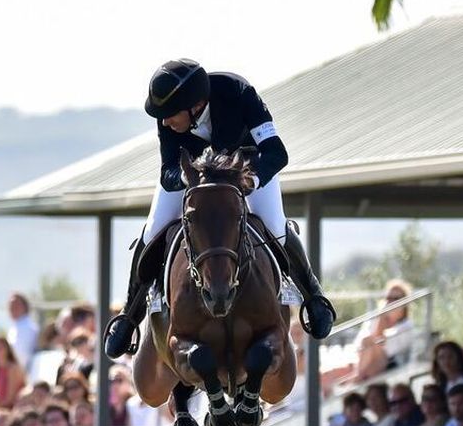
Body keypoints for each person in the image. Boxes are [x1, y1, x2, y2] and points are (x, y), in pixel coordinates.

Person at [102, 59, 335, 357]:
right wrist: (188, 176)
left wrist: (253, 179)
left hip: (247, 169)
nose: (165, 122)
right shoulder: (169, 116)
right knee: (152, 230)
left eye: (170, 115)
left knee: (275, 225)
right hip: (194, 177)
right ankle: (130, 315)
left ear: (195, 105)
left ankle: (313, 296)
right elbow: (167, 170)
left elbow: (276, 153)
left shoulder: (239, 93)